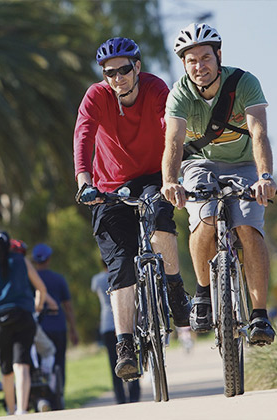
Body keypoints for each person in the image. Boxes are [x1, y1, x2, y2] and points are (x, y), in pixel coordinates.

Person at [74, 36, 191, 381]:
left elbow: (170, 130)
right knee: (121, 265)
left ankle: (173, 289)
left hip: (154, 176)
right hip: (106, 187)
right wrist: (84, 181)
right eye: (110, 72)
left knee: (160, 224)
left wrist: (174, 175)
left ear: (137, 67)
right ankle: (126, 345)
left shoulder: (156, 88)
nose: (118, 78)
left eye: (124, 70)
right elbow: (83, 134)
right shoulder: (96, 96)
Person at [159, 23, 277, 346]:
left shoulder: (244, 83)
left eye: (205, 58)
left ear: (219, 56)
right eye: (192, 60)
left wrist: (264, 176)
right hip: (198, 164)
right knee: (204, 218)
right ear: (184, 64)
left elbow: (259, 133)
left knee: (248, 227)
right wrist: (170, 181)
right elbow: (173, 141)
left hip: (243, 164)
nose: (199, 66)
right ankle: (202, 293)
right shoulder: (179, 93)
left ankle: (259, 315)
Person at [0, 231, 50, 416]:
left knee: (6, 369)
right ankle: (22, 410)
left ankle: (11, 411)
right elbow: (41, 288)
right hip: (23, 316)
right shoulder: (22, 261)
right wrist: (37, 305)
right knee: (22, 364)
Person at [30, 244, 77, 410]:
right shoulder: (59, 279)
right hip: (58, 326)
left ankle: (41, 397)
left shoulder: (30, 279)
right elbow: (68, 307)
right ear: (49, 259)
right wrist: (73, 329)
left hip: (38, 328)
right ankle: (58, 396)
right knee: (59, 363)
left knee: (39, 364)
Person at [92, 267, 139, 404]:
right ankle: (134, 394)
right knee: (130, 356)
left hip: (107, 323)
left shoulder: (97, 279)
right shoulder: (127, 273)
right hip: (128, 322)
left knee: (114, 362)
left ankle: (120, 398)